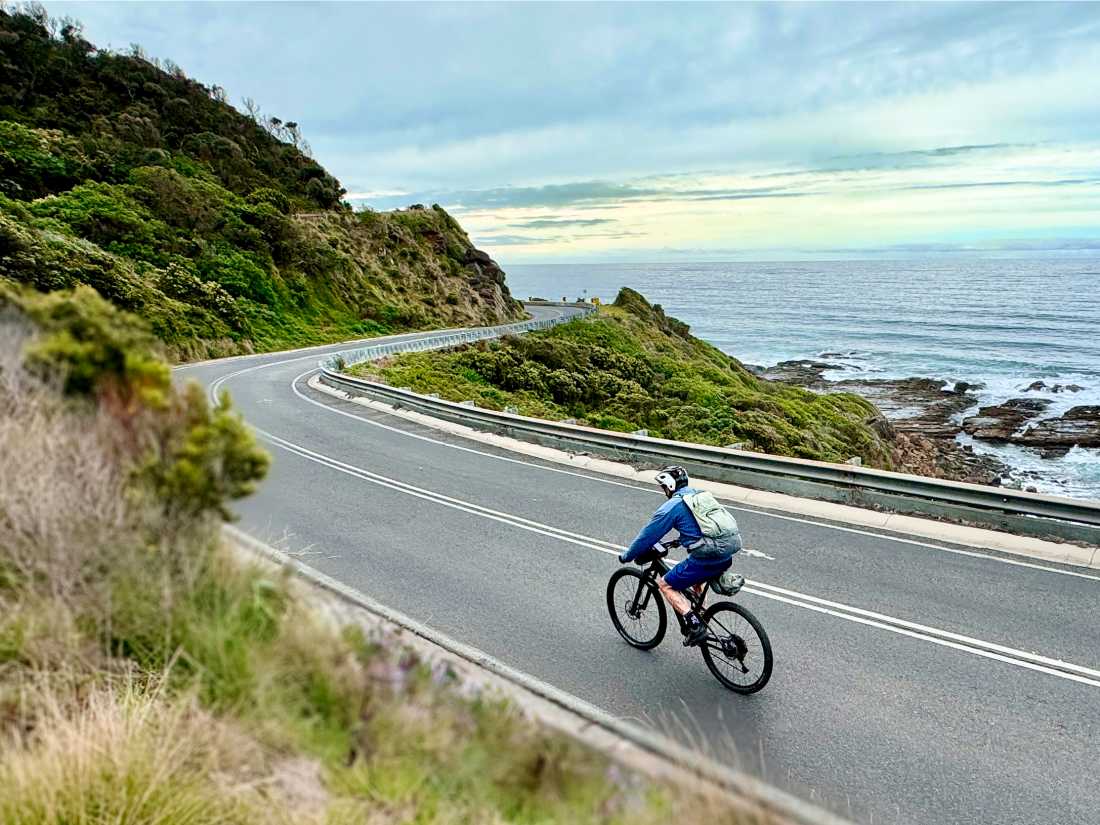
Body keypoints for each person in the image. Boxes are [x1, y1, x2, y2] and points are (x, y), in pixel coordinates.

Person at [617, 465, 738, 646]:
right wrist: (680, 540)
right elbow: (703, 527)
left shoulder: (672, 506)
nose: (664, 491)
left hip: (707, 555)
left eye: (664, 487)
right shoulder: (700, 496)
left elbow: (647, 536)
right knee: (698, 578)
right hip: (729, 550)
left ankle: (695, 624)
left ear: (670, 486)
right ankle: (702, 614)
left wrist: (627, 555)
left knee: (665, 584)